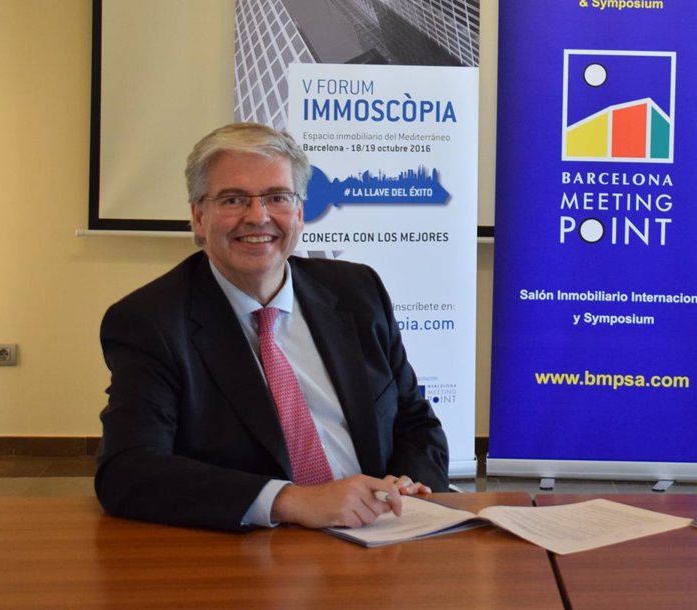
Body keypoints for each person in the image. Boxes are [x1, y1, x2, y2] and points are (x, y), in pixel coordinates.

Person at [95, 122, 449, 531]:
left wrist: (406, 484)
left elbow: (416, 421)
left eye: (277, 197)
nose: (258, 217)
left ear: (299, 212)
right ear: (198, 217)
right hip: (254, 548)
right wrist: (289, 500)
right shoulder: (150, 321)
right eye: (233, 200)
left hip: (381, 533)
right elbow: (127, 469)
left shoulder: (358, 291)